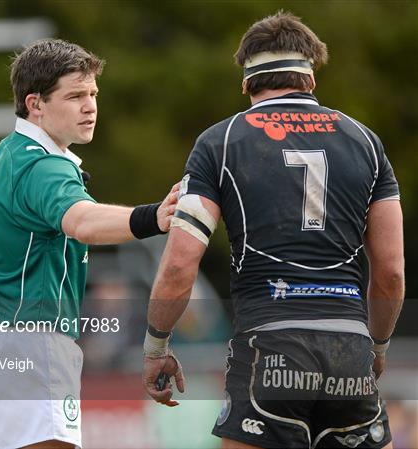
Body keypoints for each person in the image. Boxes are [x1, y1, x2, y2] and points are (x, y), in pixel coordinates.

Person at [141, 11, 404, 449]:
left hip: (269, 345)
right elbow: (392, 272)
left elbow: (179, 264)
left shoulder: (220, 142)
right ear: (311, 79)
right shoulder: (366, 142)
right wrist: (375, 347)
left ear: (246, 84)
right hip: (350, 349)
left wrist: (155, 348)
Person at [0, 38, 178, 449]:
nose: (90, 105)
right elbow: (83, 222)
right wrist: (155, 217)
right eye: (75, 96)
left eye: (92, 94)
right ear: (34, 104)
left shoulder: (9, 151)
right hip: (27, 341)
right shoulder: (44, 164)